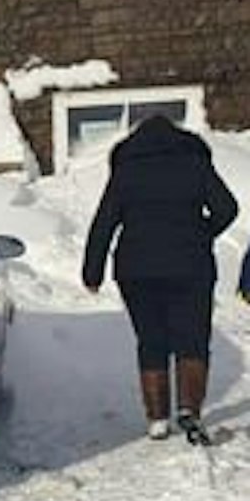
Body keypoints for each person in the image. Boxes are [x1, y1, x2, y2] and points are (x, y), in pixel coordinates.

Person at [82, 115, 239, 444]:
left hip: (136, 269)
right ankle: (189, 410)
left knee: (151, 339)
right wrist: (202, 233)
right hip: (190, 265)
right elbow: (227, 208)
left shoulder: (126, 172)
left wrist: (92, 271)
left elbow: (104, 224)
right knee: (192, 338)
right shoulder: (195, 165)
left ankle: (156, 419)